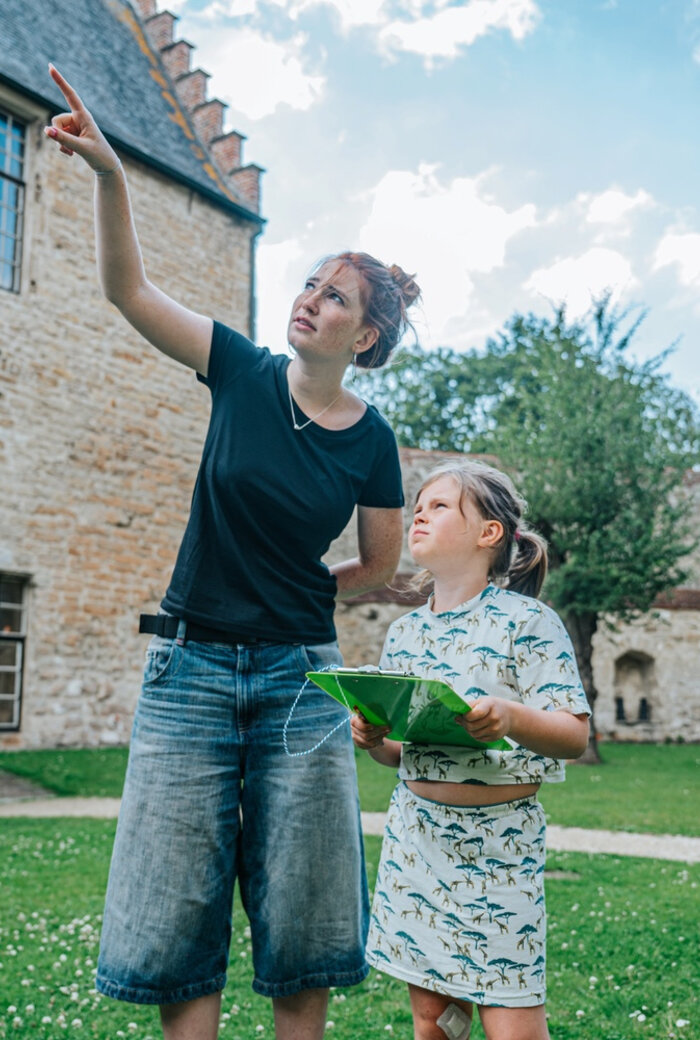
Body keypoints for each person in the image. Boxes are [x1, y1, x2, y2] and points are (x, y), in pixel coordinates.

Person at [44, 64, 421, 1040]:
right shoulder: (240, 368)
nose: (308, 299)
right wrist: (112, 177)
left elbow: (378, 567)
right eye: (307, 282)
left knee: (305, 911)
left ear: (365, 332)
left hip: (302, 682)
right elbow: (129, 291)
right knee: (176, 912)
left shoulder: (370, 438)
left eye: (334, 297)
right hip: (191, 670)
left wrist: (309, 588)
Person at [351, 460, 591, 1040]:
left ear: (488, 534)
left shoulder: (529, 622)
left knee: (510, 1018)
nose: (420, 514)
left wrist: (509, 716)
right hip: (416, 839)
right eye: (418, 505)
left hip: (495, 850)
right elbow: (401, 755)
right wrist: (376, 740)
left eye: (439, 506)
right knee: (433, 1020)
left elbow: (575, 733)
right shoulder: (404, 633)